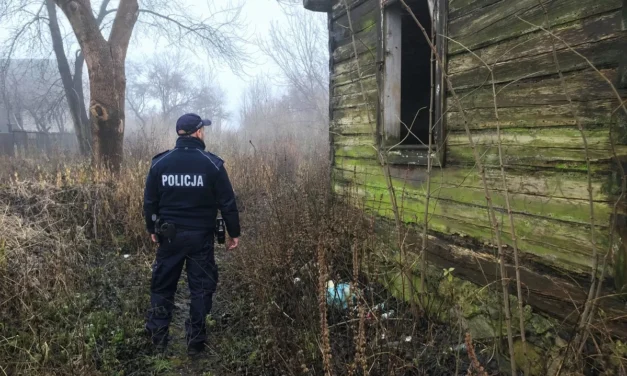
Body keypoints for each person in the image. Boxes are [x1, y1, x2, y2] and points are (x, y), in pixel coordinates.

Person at [143, 113, 240, 356]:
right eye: (202, 130)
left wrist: (151, 228)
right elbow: (228, 203)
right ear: (197, 132)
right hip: (201, 238)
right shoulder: (212, 164)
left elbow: (150, 202)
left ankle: (158, 338)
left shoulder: (159, 164)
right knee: (201, 288)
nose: (203, 133)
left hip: (169, 237)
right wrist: (234, 233)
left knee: (163, 287)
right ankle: (196, 342)